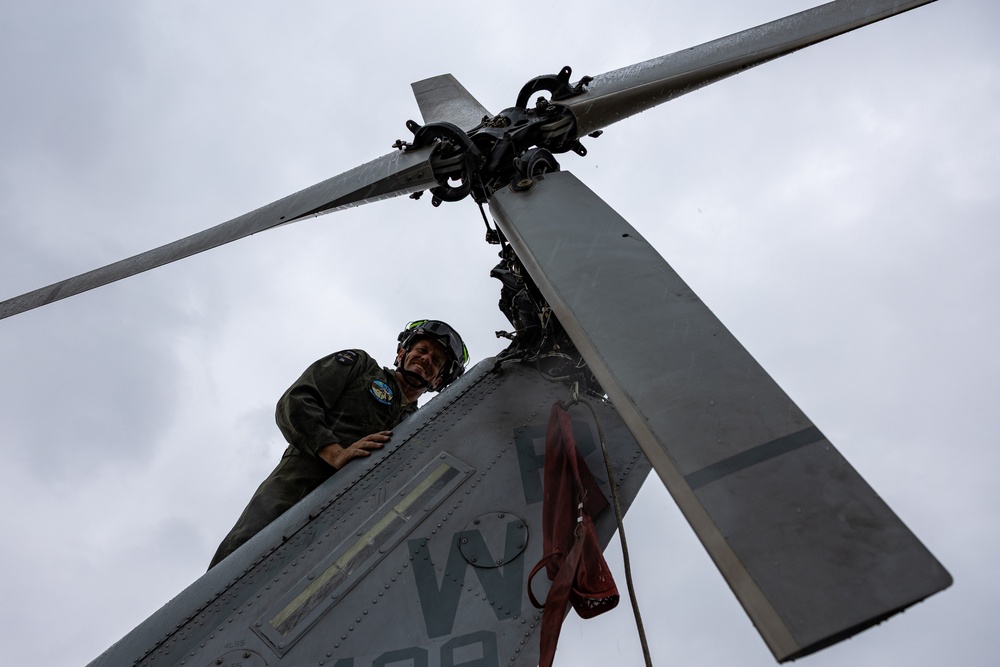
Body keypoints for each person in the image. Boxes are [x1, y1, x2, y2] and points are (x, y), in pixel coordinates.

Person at [209, 319, 468, 569]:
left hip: (345, 527)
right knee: (237, 565)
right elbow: (297, 401)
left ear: (438, 381)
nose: (426, 360)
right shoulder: (361, 367)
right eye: (422, 350)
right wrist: (334, 453)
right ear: (402, 352)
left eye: (436, 361)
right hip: (295, 488)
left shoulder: (422, 427)